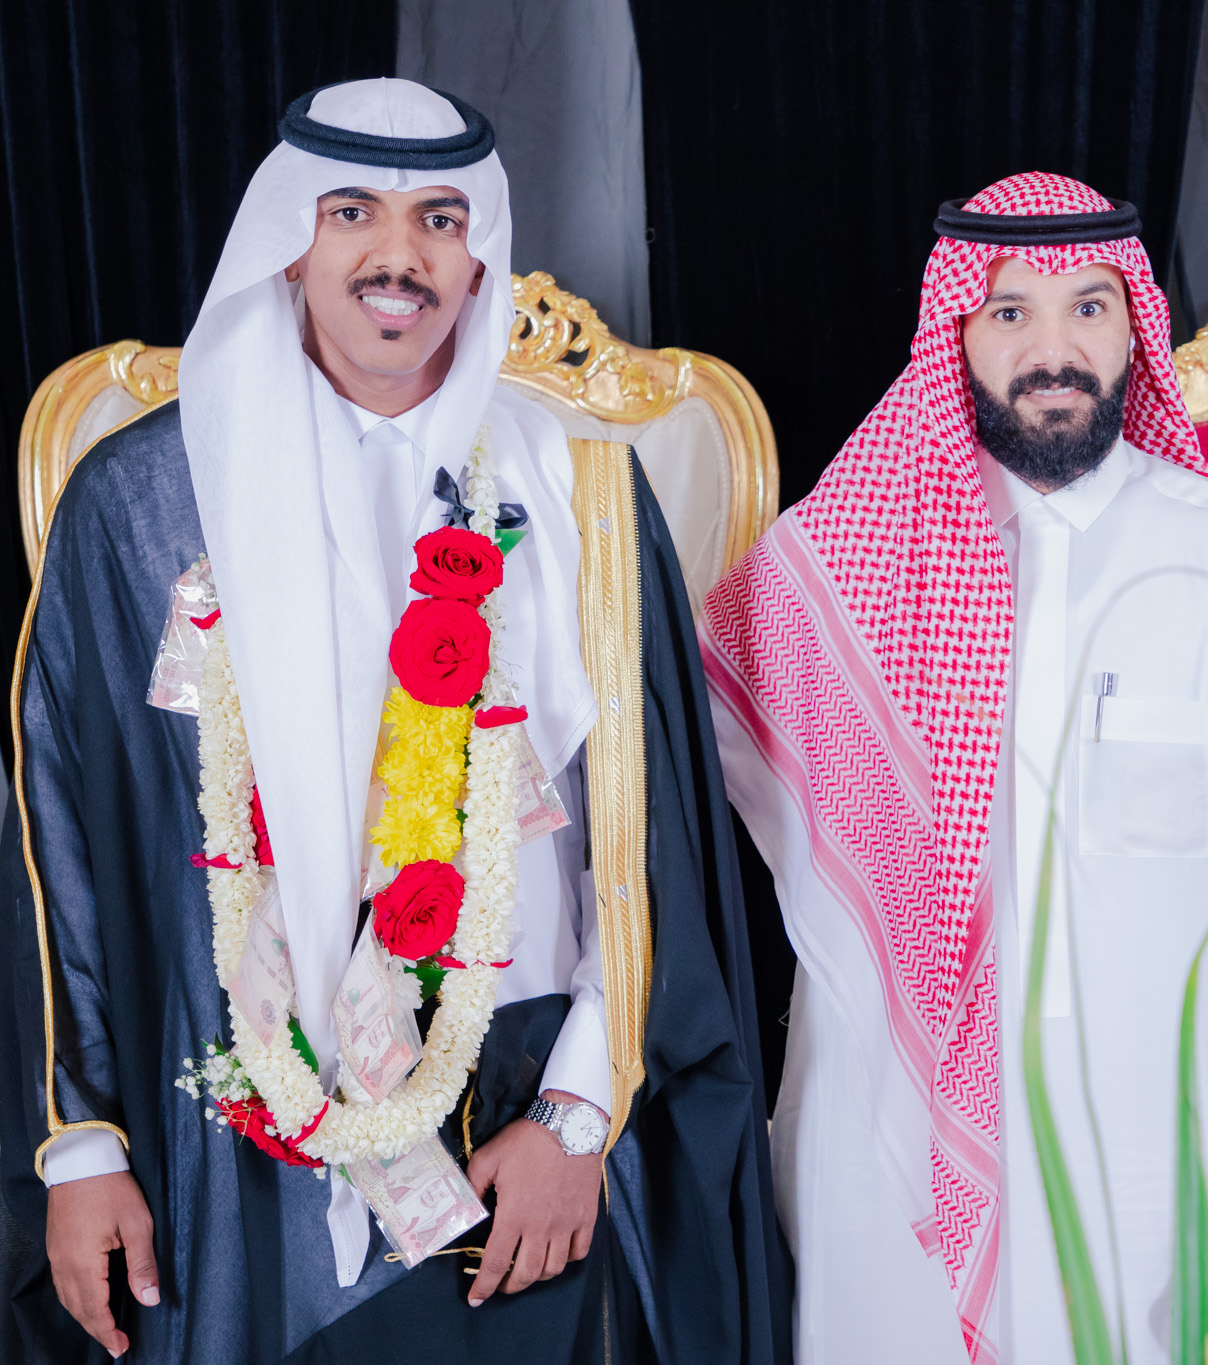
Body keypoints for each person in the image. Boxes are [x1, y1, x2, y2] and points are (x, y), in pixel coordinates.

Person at [0, 79, 788, 1363]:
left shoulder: (579, 494)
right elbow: (61, 842)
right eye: (352, 212)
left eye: (438, 219)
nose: (397, 256)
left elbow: (653, 850)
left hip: (516, 1114)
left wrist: (578, 1116)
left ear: (478, 258)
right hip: (228, 1117)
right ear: (289, 244)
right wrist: (80, 1151)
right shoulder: (144, 500)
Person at [700, 173, 1208, 1363]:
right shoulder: (830, 566)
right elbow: (668, 790)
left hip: (1161, 1153)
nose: (1052, 352)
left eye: (1087, 308)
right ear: (953, 334)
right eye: (1008, 313)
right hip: (887, 1139)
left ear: (1135, 330)